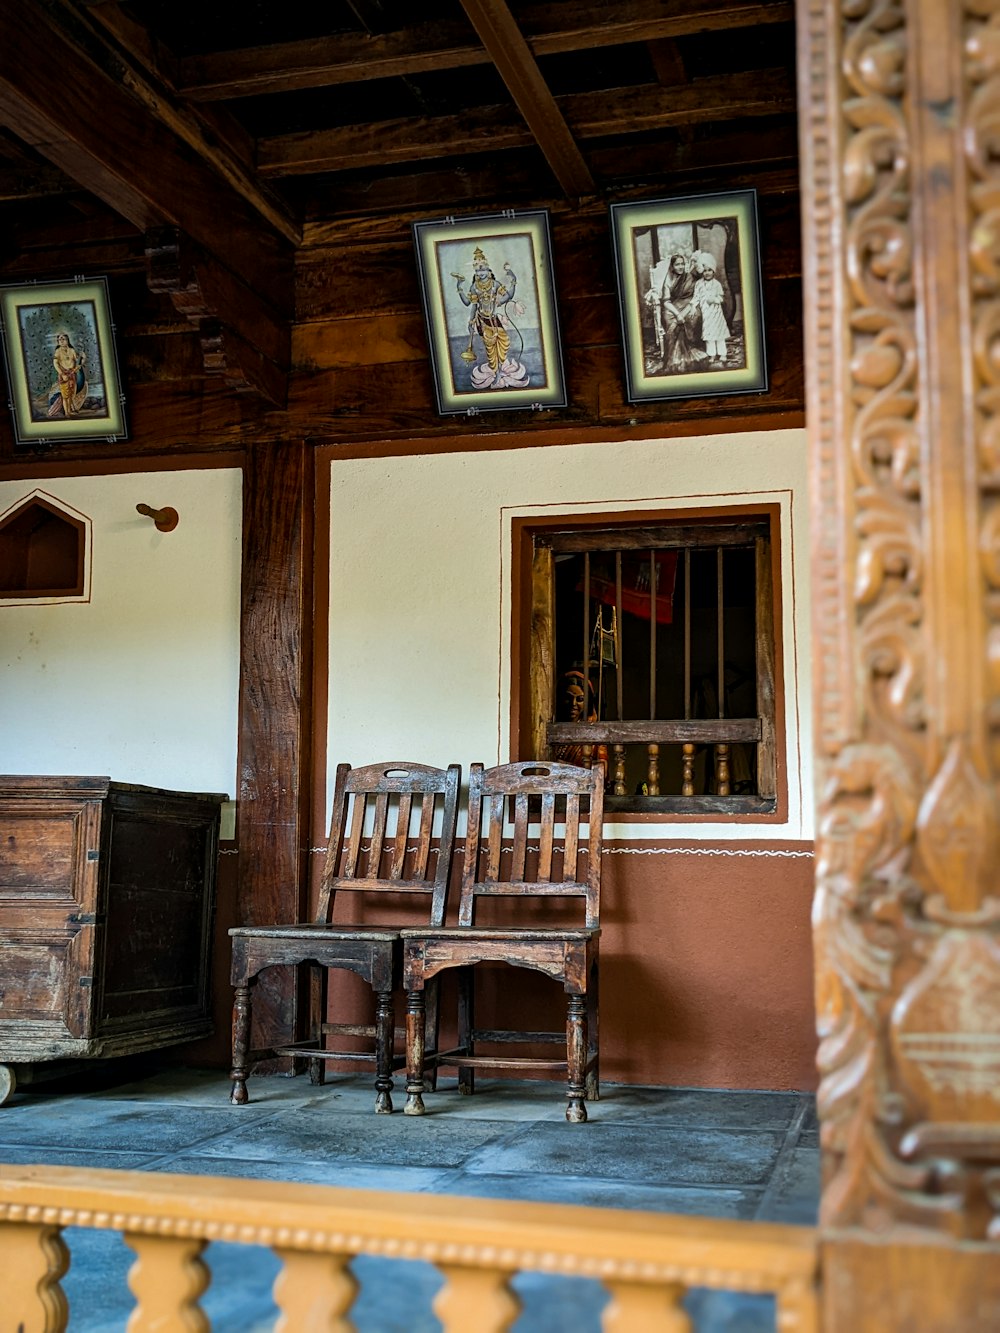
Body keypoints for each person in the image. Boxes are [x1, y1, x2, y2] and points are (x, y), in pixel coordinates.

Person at [453, 245, 519, 387]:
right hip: (482, 321)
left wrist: (513, 279)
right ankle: (497, 373)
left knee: (504, 342)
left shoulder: (495, 284)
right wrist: (459, 287)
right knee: (490, 349)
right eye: (477, 270)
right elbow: (469, 304)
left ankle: (500, 369)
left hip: (494, 320)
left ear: (488, 269)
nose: (480, 272)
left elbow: (508, 296)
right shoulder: (474, 287)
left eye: (483, 269)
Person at [645, 253, 704, 372]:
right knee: (669, 319)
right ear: (672, 266)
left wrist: (696, 262)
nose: (680, 267)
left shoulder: (690, 276)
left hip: (689, 304)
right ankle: (675, 359)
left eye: (682, 264)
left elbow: (702, 276)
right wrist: (677, 314)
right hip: (673, 305)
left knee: (694, 316)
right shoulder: (667, 279)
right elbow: (666, 301)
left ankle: (693, 348)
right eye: (677, 264)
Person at [552, 669, 608, 776]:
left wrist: (563, 767)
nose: (573, 703)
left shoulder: (594, 731)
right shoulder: (555, 727)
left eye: (580, 699)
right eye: (568, 698)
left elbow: (602, 772)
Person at [692, 261, 730, 363]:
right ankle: (712, 354)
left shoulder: (717, 284)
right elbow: (696, 297)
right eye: (704, 271)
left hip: (716, 312)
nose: (707, 273)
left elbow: (721, 298)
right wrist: (693, 306)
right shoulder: (698, 284)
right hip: (706, 313)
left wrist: (714, 299)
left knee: (719, 333)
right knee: (709, 334)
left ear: (713, 271)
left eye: (709, 270)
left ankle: (722, 353)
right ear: (701, 272)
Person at [47, 331, 88, 418]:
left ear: (67, 340)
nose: (61, 341)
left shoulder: (71, 350)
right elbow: (55, 363)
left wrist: (84, 358)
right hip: (64, 375)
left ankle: (69, 411)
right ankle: (66, 413)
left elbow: (78, 362)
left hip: (73, 375)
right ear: (57, 342)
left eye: (63, 339)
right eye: (59, 339)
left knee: (71, 395)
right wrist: (62, 374)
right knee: (65, 396)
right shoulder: (58, 351)